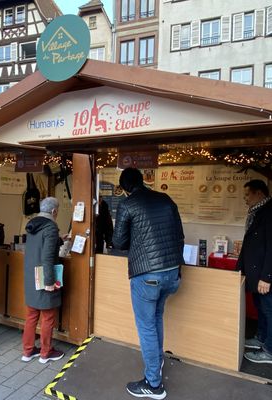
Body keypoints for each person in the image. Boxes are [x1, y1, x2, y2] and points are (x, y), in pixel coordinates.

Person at [112, 168, 184, 400]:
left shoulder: (128, 204)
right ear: (142, 181)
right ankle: (157, 365)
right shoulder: (165, 199)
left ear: (124, 188)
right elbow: (180, 236)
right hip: (171, 273)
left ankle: (153, 385)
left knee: (146, 327)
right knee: (156, 319)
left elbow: (119, 242)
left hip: (147, 275)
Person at [237, 179, 272, 365]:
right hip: (256, 274)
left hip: (268, 277)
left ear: (259, 193)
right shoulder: (257, 212)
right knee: (261, 308)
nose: (245, 199)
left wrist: (266, 277)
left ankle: (270, 351)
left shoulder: (271, 214)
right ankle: (261, 337)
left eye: (247, 194)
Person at [21, 197, 66, 364]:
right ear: (54, 211)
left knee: (31, 315)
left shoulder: (33, 225)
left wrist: (60, 239)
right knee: (48, 316)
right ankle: (45, 353)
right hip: (44, 276)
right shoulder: (51, 227)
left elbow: (40, 246)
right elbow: (47, 256)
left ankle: (28, 351)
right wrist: (49, 281)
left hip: (31, 276)